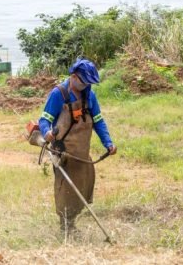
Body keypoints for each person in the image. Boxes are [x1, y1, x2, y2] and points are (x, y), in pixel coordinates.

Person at [38, 57, 117, 233]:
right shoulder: (59, 94)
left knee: (83, 186)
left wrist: (108, 142)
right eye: (84, 82)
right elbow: (44, 119)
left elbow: (98, 121)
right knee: (66, 190)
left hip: (82, 152)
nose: (86, 86)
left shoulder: (90, 95)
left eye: (89, 83)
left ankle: (72, 221)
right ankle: (66, 226)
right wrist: (47, 133)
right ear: (74, 76)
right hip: (64, 153)